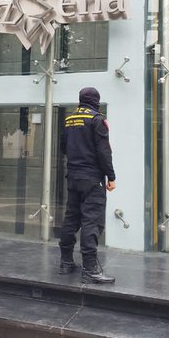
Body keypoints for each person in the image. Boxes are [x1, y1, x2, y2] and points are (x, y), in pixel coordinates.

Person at [58, 87, 116, 284]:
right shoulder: (97, 120)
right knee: (92, 221)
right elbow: (104, 152)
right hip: (92, 179)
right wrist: (111, 177)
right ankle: (90, 268)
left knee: (71, 218)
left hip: (73, 176)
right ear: (96, 101)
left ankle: (66, 262)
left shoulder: (69, 119)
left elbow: (63, 148)